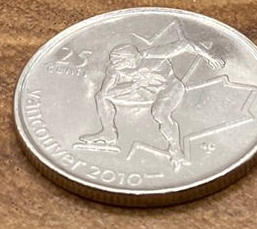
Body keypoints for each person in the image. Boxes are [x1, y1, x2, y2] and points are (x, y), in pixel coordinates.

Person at [78, 35, 224, 168]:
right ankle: (108, 132)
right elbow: (106, 92)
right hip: (142, 91)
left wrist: (211, 57)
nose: (114, 64)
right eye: (113, 61)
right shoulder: (114, 69)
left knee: (159, 113)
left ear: (132, 59)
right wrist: (133, 86)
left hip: (169, 89)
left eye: (118, 61)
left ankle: (176, 149)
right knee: (100, 97)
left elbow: (185, 45)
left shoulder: (153, 55)